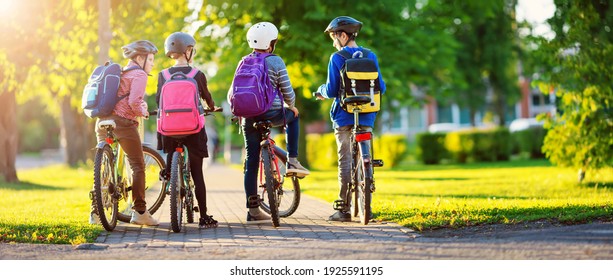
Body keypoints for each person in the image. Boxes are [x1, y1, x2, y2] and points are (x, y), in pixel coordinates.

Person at [229, 22, 310, 224]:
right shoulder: (276, 61)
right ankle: (292, 159)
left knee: (251, 162)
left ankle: (253, 210)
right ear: (271, 43)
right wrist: (291, 106)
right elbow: (288, 92)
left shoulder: (243, 61)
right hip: (272, 113)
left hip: (248, 118)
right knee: (295, 116)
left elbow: (232, 93)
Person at [314, 16, 386, 222]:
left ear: (343, 35)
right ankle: (367, 204)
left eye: (334, 37)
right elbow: (382, 87)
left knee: (344, 160)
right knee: (367, 155)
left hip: (344, 116)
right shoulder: (371, 55)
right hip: (367, 114)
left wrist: (319, 92)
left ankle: (343, 208)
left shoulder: (337, 58)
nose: (334, 41)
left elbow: (330, 90)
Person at [89, 40, 160, 226]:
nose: (152, 63)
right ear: (139, 58)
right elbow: (134, 103)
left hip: (102, 121)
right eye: (150, 59)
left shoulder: (120, 72)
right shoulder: (139, 74)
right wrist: (144, 111)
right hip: (123, 123)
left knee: (104, 165)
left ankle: (96, 213)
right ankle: (140, 212)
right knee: (137, 165)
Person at [156, 32, 221, 229]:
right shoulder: (197, 75)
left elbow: (159, 100)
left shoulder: (163, 75)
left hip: (169, 129)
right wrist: (211, 107)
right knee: (197, 173)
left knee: (170, 149)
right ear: (188, 50)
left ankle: (169, 174)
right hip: (193, 129)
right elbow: (207, 98)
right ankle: (204, 217)